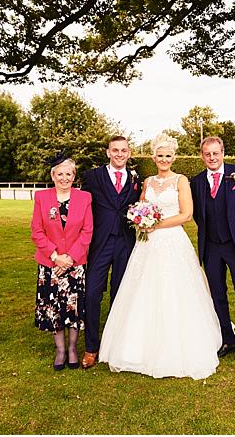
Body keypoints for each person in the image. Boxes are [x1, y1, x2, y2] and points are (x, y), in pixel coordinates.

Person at [98, 133, 222, 379]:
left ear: (173, 157)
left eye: (168, 155)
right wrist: (141, 220)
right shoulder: (147, 182)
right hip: (147, 244)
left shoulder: (181, 181)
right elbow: (140, 208)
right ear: (154, 157)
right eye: (160, 155)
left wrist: (155, 224)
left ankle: (176, 349)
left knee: (175, 290)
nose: (164, 159)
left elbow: (186, 215)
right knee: (143, 289)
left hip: (172, 241)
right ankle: (137, 348)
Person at [190, 136, 235, 373]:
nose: (212, 158)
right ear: (202, 156)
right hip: (211, 246)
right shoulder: (197, 182)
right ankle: (227, 338)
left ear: (223, 153)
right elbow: (198, 215)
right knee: (217, 295)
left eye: (216, 153)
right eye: (207, 154)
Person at [79, 136, 141, 369]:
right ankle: (91, 348)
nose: (119, 154)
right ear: (108, 152)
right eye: (115, 150)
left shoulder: (136, 177)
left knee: (121, 293)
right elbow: (82, 207)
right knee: (93, 294)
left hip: (126, 242)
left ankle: (117, 345)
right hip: (100, 243)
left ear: (129, 152)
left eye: (123, 150)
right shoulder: (93, 176)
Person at [31, 154, 93, 371]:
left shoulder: (84, 198)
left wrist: (71, 257)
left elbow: (87, 231)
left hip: (75, 265)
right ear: (53, 175)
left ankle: (73, 348)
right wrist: (56, 256)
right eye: (60, 174)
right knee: (55, 307)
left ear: (74, 176)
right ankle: (60, 349)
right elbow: (37, 231)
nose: (64, 178)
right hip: (51, 265)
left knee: (74, 308)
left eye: (68, 174)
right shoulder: (42, 197)